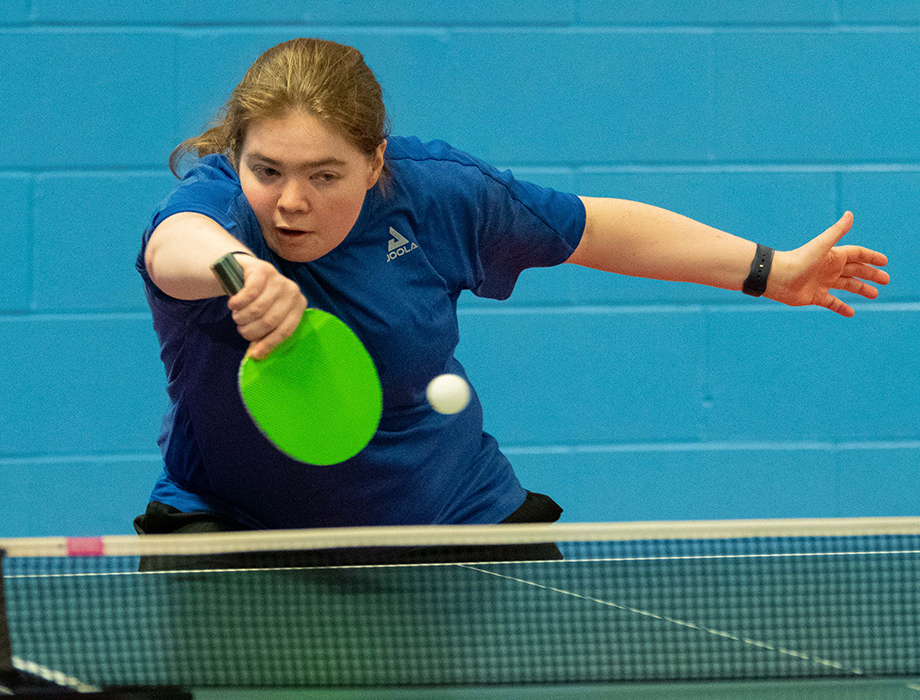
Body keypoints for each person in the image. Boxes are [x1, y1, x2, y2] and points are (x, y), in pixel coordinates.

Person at [134, 38, 889, 553]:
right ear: (238, 156)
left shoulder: (438, 197)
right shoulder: (219, 208)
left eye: (324, 175)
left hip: (454, 526)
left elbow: (596, 229)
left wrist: (773, 271)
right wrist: (243, 271)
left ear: (374, 163)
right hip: (238, 535)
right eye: (267, 170)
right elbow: (175, 248)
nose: (289, 201)